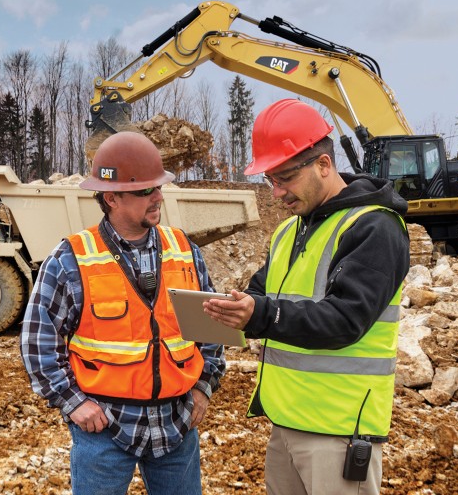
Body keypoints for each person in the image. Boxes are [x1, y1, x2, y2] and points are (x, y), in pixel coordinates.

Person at [203, 99, 409, 495]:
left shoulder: (374, 228)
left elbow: (345, 320)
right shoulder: (289, 232)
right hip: (286, 421)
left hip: (338, 430)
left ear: (324, 165)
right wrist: (229, 309)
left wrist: (260, 315)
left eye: (285, 179)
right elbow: (261, 294)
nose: (276, 192)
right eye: (271, 181)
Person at [21, 131, 226, 495]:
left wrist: (204, 387)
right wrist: (73, 403)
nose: (159, 196)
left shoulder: (183, 250)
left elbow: (211, 327)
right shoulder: (72, 258)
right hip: (104, 430)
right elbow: (39, 341)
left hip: (176, 425)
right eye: (145, 190)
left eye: (158, 187)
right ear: (111, 197)